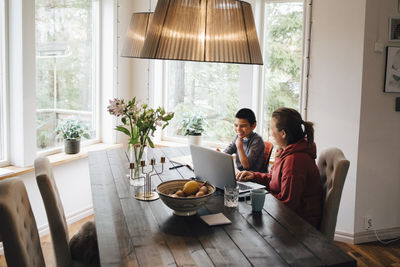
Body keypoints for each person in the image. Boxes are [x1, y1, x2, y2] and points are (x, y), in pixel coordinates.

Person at [236, 107, 322, 228]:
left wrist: (257, 197)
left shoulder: (294, 161)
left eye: (272, 129)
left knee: (244, 223)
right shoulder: (287, 152)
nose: (271, 133)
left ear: (283, 133)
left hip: (299, 225)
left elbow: (287, 205)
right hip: (287, 217)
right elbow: (275, 181)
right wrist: (254, 176)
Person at [221, 108, 265, 172]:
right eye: (236, 125)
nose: (238, 129)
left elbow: (246, 166)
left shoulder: (257, 140)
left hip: (252, 177)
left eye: (243, 126)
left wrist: (239, 147)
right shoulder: (237, 137)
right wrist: (220, 155)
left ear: (253, 126)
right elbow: (227, 152)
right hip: (239, 173)